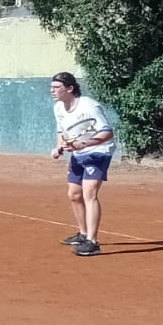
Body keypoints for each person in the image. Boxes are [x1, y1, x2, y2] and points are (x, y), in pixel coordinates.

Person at [50, 71, 116, 257]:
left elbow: (107, 133)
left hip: (98, 151)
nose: (52, 91)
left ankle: (92, 243)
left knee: (89, 193)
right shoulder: (58, 108)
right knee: (74, 194)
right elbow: (61, 131)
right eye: (51, 87)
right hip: (78, 152)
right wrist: (59, 147)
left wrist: (85, 143)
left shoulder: (89, 106)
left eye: (56, 88)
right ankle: (83, 233)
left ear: (70, 88)